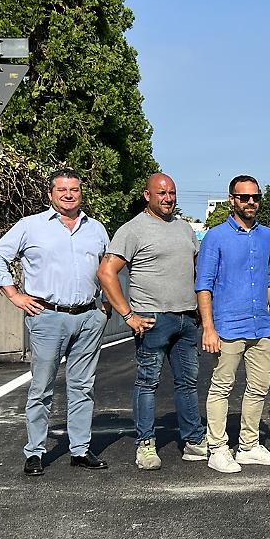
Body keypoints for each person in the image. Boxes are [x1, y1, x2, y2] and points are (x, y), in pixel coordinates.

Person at [0, 169, 110, 475]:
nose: (69, 195)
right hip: (47, 316)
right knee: (42, 387)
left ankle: (79, 449)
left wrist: (106, 302)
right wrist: (15, 296)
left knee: (83, 386)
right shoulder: (30, 226)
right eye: (62, 189)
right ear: (50, 194)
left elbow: (109, 266)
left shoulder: (96, 229)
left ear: (81, 193)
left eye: (75, 190)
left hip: (88, 316)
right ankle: (35, 452)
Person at [98, 172, 208, 470]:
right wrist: (128, 315)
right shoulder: (133, 230)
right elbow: (106, 273)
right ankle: (145, 444)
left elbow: (198, 272)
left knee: (187, 382)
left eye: (171, 192)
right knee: (147, 383)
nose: (168, 198)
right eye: (161, 193)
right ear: (147, 195)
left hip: (187, 318)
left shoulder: (184, 229)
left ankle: (194, 440)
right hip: (152, 319)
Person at [195, 176, 270, 473]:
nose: (250, 202)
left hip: (261, 325)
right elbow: (204, 285)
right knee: (222, 386)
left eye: (255, 197)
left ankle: (248, 446)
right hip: (228, 325)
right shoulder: (215, 237)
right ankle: (217, 448)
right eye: (244, 197)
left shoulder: (266, 236)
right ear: (231, 199)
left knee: (259, 387)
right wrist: (208, 327)